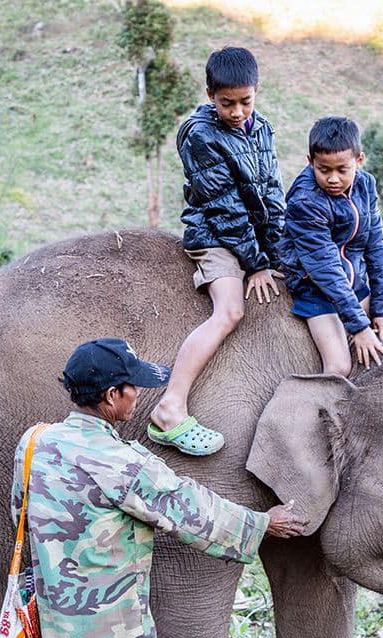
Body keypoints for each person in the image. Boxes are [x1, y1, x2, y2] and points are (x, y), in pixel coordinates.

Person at [12, 338, 306, 638]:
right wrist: (262, 524)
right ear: (111, 395)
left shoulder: (33, 442)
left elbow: (22, 518)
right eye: (132, 386)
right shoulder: (122, 462)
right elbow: (191, 510)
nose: (138, 393)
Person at [147, 46, 285, 457]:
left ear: (256, 92)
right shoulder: (200, 135)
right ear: (210, 95)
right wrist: (257, 264)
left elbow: (273, 193)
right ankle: (171, 406)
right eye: (227, 103)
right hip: (217, 236)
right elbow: (224, 207)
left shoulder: (261, 128)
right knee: (230, 310)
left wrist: (277, 250)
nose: (238, 111)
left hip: (254, 234)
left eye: (246, 101)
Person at [278, 116, 383, 376]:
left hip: (355, 283)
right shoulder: (305, 201)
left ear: (359, 161)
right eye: (324, 169)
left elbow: (376, 248)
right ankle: (304, 414)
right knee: (338, 367)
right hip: (316, 289)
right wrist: (360, 328)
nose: (333, 179)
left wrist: (382, 310)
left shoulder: (366, 185)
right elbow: (324, 269)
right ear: (310, 162)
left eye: (342, 169)